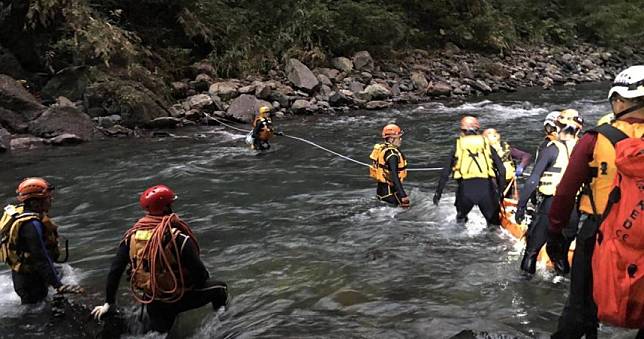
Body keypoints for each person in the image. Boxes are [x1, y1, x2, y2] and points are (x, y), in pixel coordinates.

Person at [547, 65, 644, 338]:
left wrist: (556, 234)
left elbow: (565, 192)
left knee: (580, 310)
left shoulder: (594, 139)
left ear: (620, 100)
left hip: (598, 234)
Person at [91, 185, 228, 333]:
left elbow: (115, 270)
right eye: (170, 204)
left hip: (153, 301)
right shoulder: (179, 239)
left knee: (161, 332)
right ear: (166, 208)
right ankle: (222, 329)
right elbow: (200, 275)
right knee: (220, 288)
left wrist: (109, 303)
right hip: (180, 297)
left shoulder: (131, 238)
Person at [514, 109, 583, 275]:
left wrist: (521, 206)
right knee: (561, 255)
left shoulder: (551, 148)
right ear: (579, 129)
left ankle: (525, 292)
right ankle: (561, 284)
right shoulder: (585, 149)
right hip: (574, 208)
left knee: (531, 251)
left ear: (558, 127)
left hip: (551, 204)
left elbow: (533, 180)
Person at [0, 177, 82, 304]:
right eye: (47, 198)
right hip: (30, 281)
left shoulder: (27, 214)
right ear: (35, 203)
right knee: (35, 312)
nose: (51, 200)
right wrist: (58, 285)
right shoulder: (31, 225)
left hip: (26, 275)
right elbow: (40, 257)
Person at [433, 116, 506, 225]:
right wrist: (500, 192)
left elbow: (445, 172)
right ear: (478, 130)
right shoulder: (486, 144)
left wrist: (438, 194)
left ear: (462, 131)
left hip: (465, 190)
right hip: (486, 190)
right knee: (493, 226)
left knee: (461, 222)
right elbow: (502, 170)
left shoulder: (458, 145)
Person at [369, 123, 410, 208]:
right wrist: (403, 196)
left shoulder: (383, 149)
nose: (401, 139)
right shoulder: (392, 155)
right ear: (391, 139)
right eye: (398, 137)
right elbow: (394, 177)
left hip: (381, 192)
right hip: (390, 194)